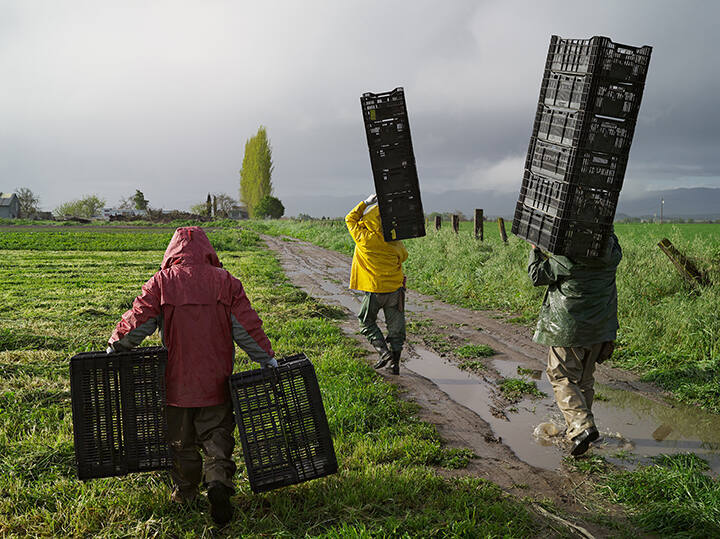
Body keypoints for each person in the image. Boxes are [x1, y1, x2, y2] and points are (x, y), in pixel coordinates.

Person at [107, 226, 275, 526]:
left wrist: (115, 344)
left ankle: (185, 493)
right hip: (216, 382)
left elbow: (138, 321)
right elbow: (246, 327)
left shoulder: (161, 283)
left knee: (180, 443)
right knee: (218, 436)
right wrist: (266, 359)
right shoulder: (226, 282)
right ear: (209, 251)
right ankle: (218, 482)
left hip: (176, 386)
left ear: (172, 253)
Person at [527, 234, 621, 456]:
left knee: (561, 376)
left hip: (569, 328)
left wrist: (535, 249)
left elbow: (536, 275)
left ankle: (581, 427)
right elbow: (612, 239)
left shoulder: (566, 259)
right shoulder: (612, 254)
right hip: (600, 328)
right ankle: (579, 432)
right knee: (584, 380)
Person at [345, 194, 408, 375]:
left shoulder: (363, 237)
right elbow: (403, 256)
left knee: (365, 322)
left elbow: (350, 218)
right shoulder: (394, 241)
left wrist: (366, 202)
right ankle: (395, 364)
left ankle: (383, 353)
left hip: (374, 290)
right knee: (396, 328)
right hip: (395, 290)